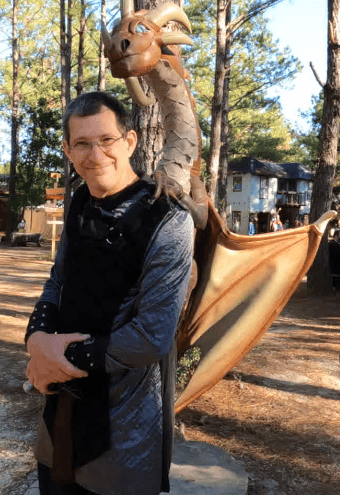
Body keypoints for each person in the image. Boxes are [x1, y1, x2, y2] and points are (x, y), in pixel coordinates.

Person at [25, 92, 194, 495]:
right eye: (81, 144)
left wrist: (56, 356)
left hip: (125, 430)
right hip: (60, 420)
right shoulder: (80, 201)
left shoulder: (168, 220)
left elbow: (152, 337)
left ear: (130, 142)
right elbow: (58, 281)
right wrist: (36, 339)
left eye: (106, 140)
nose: (95, 154)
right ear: (68, 150)